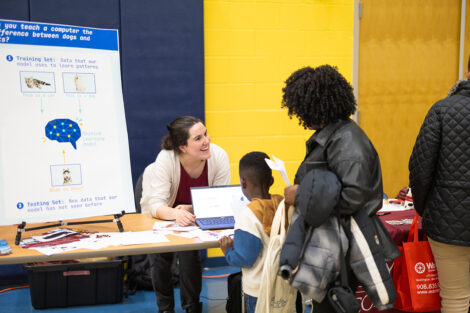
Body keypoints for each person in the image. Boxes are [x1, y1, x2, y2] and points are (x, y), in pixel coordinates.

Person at [281, 65, 397, 312]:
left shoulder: (347, 141)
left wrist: (299, 195)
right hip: (333, 238)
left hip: (345, 245)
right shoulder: (332, 135)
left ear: (315, 107)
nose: (300, 116)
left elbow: (352, 197)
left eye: (302, 109)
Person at [140, 115, 230, 313]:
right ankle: (165, 308)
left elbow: (221, 200)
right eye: (198, 139)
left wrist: (189, 208)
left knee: (191, 252)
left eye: (205, 134)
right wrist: (175, 213)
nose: (206, 141)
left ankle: (192, 307)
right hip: (162, 209)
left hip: (192, 212)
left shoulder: (219, 156)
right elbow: (155, 205)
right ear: (183, 147)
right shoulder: (165, 158)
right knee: (160, 255)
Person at [409, 57, 470, 313]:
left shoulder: (443, 110)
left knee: (456, 299)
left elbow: (420, 169)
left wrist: (425, 210)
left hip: (450, 222)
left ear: (467, 72)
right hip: (449, 219)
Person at [218, 151, 284, 313]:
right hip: (284, 285)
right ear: (272, 180)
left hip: (258, 290)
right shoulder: (282, 205)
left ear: (243, 183)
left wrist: (228, 251)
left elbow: (245, 258)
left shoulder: (248, 215)